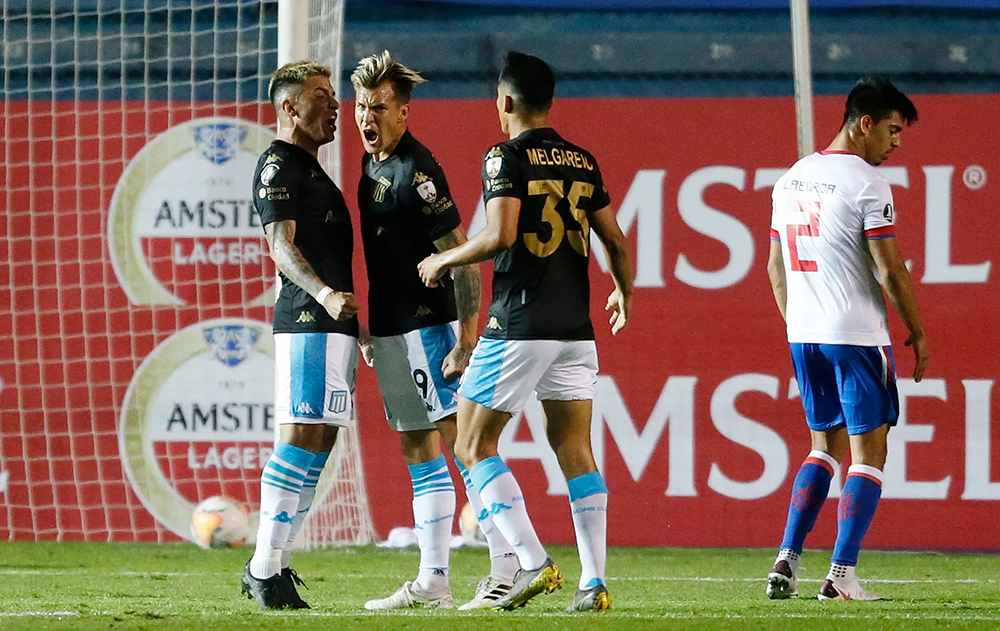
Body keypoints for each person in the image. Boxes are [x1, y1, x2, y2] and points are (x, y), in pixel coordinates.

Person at [418, 51, 633, 612]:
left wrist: (445, 261)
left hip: (519, 322)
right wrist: (624, 292)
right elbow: (616, 241)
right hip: (575, 328)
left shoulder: (504, 156)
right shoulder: (582, 160)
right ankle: (594, 583)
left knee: (470, 443)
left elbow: (501, 234)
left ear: (506, 101)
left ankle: (532, 564)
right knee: (574, 447)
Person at [350, 51, 520, 612]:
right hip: (394, 331)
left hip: (431, 326)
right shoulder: (371, 166)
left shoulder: (416, 172)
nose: (365, 118)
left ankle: (505, 566)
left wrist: (467, 341)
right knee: (416, 445)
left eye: (378, 107)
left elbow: (463, 259)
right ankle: (433, 581)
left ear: (403, 112)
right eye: (360, 106)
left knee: (462, 443)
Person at [765, 76, 929, 601]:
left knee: (823, 446)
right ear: (864, 124)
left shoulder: (791, 178)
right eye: (892, 130)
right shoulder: (866, 182)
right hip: (856, 334)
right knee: (869, 453)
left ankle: (786, 559)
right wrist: (918, 331)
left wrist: (799, 322)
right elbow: (890, 269)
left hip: (804, 333)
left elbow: (774, 266)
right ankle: (840, 576)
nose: (896, 142)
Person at [242, 60, 371, 610]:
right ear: (289, 107)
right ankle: (263, 568)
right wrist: (322, 297)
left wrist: (355, 326)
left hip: (332, 324)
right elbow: (281, 245)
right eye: (322, 95)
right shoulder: (279, 164)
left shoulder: (313, 169)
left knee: (322, 440)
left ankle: (278, 563)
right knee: (300, 435)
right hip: (306, 319)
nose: (337, 105)